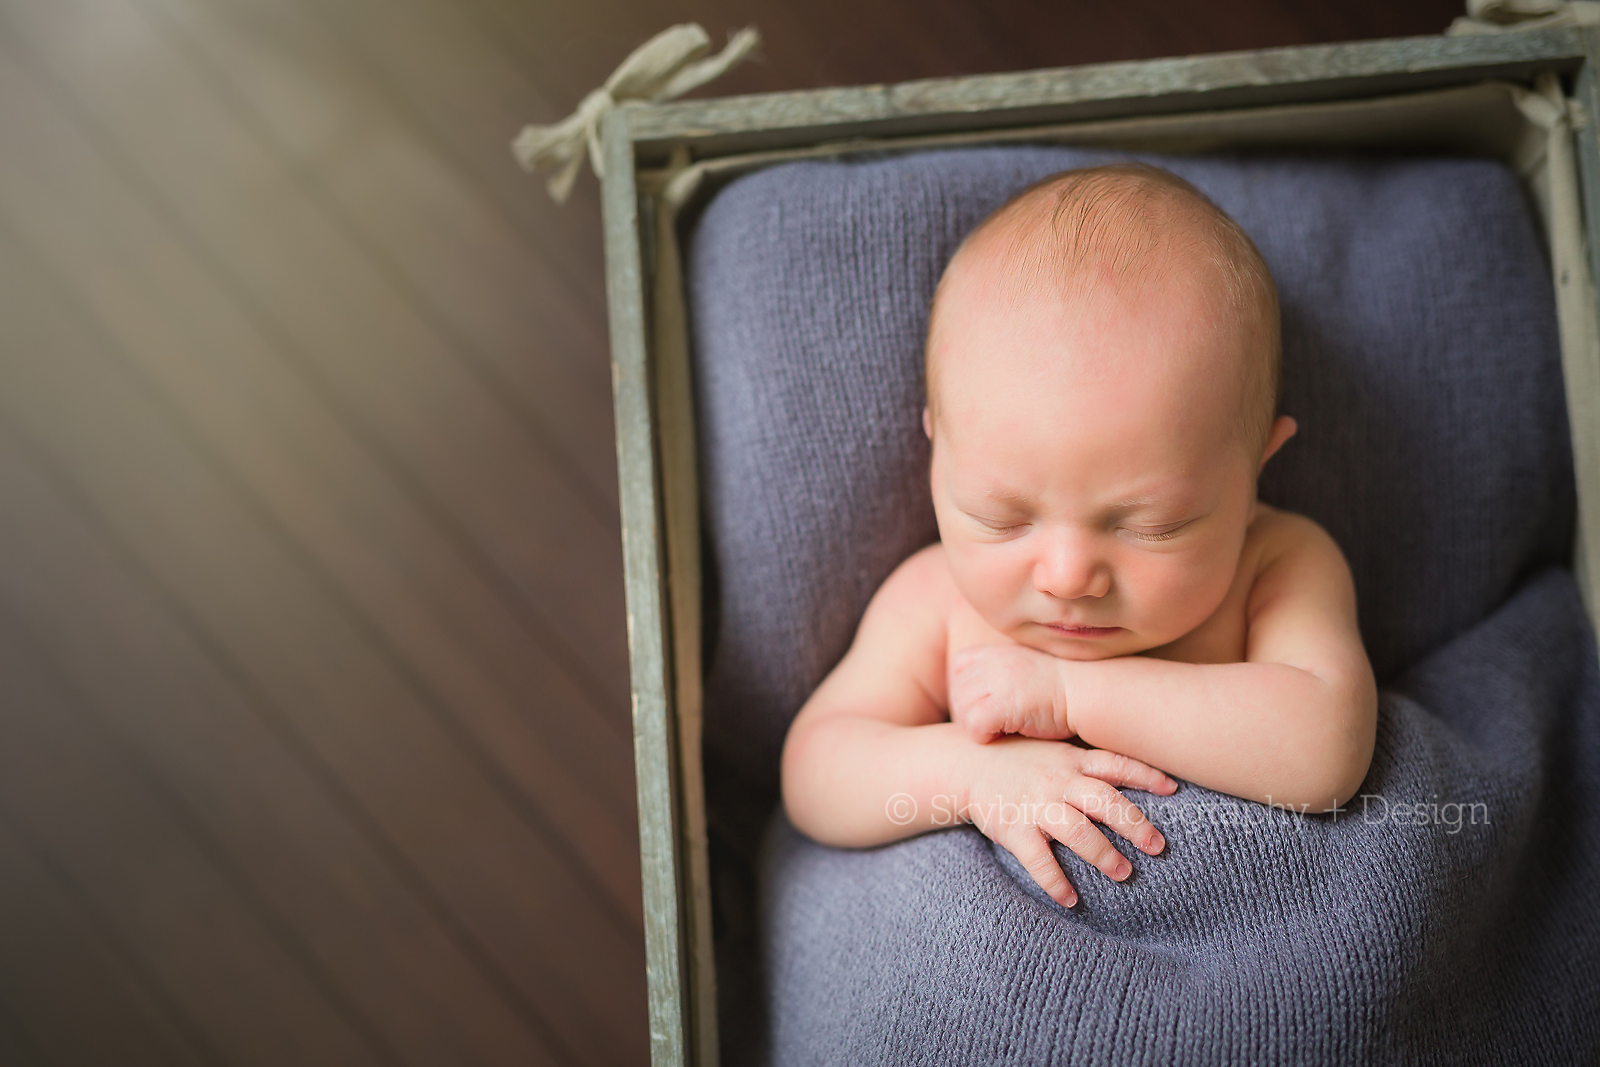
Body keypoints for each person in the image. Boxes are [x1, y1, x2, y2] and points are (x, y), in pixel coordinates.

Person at [779, 162, 1379, 909]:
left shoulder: (1277, 561)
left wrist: (1071, 695)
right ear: (937, 453)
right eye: (1001, 517)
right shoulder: (937, 604)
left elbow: (1323, 753)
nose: (1068, 575)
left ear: (1255, 468)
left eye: (1153, 526)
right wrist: (971, 777)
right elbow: (817, 772)